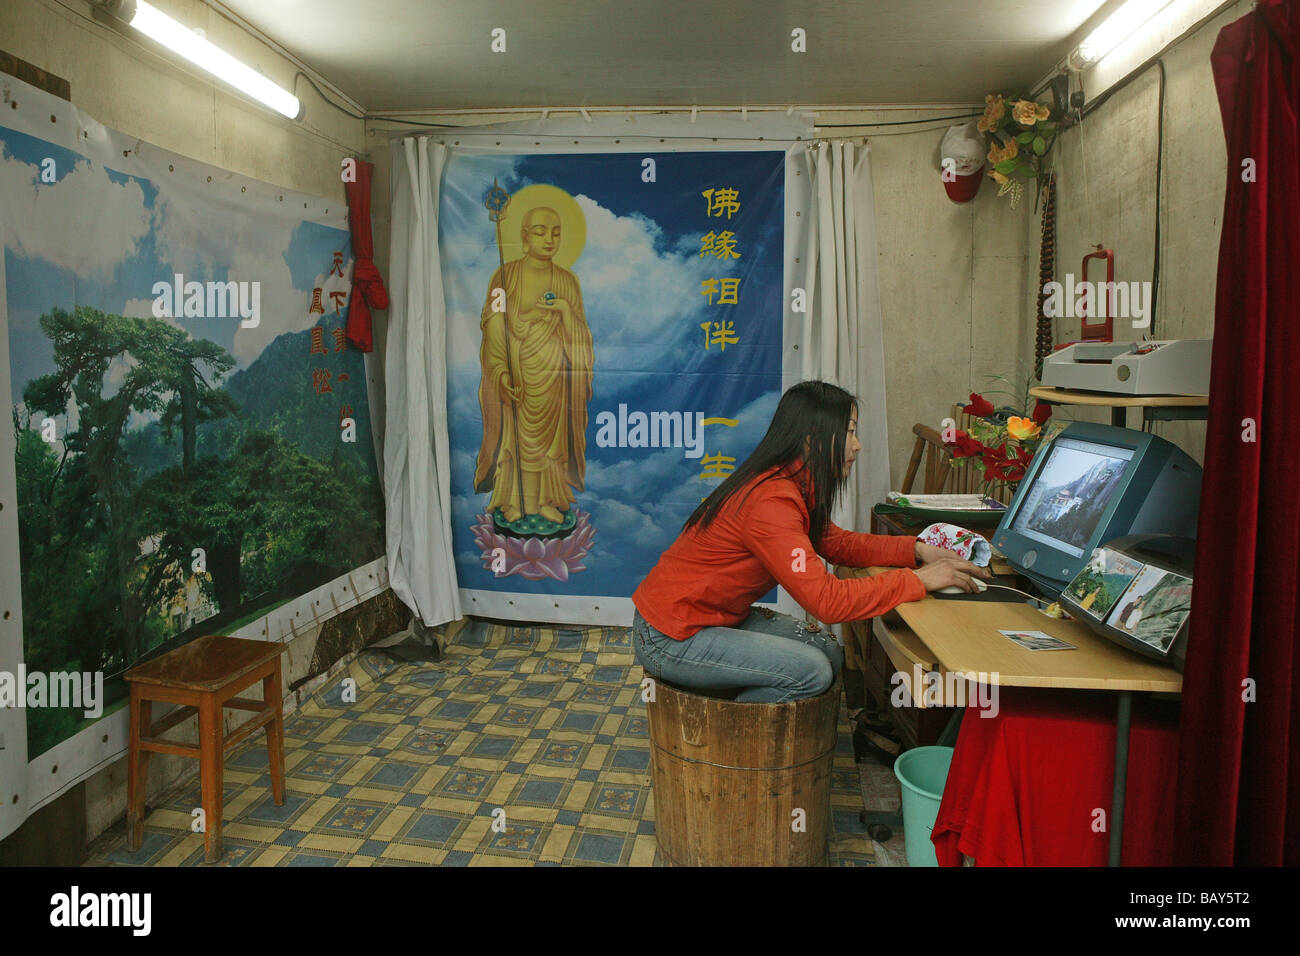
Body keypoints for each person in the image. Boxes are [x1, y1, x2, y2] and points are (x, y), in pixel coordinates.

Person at [630, 380, 991, 703]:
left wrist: (917, 550)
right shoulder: (771, 501)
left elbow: (835, 543)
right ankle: (725, 738)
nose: (858, 445)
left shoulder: (792, 483)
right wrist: (919, 580)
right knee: (812, 671)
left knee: (827, 651)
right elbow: (827, 603)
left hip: (714, 619)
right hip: (671, 636)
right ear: (811, 438)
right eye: (849, 432)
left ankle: (738, 698)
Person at [474, 206, 594, 526]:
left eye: (556, 232)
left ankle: (544, 501)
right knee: (517, 441)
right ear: (525, 237)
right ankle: (515, 501)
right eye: (540, 232)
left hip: (554, 373)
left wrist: (566, 312)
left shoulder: (567, 281)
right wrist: (501, 373)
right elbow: (494, 323)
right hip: (518, 372)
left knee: (550, 445)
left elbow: (580, 337)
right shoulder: (505, 275)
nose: (549, 239)